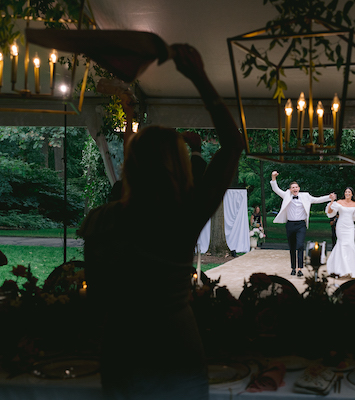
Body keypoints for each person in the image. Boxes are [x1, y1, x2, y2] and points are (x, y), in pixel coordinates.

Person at [78, 44, 244, 400]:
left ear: (131, 167)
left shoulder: (98, 221)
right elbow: (232, 144)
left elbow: (95, 298)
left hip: (120, 347)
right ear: (179, 167)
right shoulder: (182, 217)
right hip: (175, 346)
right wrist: (198, 75)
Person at [270, 171, 335, 277]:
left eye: (296, 187)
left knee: (300, 245)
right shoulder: (286, 195)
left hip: (301, 225)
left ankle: (300, 268)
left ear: (299, 188)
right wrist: (273, 178)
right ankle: (293, 268)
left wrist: (329, 197)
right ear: (290, 189)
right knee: (292, 247)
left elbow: (317, 200)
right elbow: (276, 189)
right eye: (292, 187)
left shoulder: (306, 196)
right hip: (290, 224)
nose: (295, 189)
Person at [325, 187, 355, 278]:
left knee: (350, 245)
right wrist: (332, 201)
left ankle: (351, 269)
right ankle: (340, 270)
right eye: (346, 192)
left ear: (352, 194)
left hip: (350, 227)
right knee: (341, 245)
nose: (347, 193)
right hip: (341, 226)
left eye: (349, 192)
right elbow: (330, 212)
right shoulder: (339, 202)